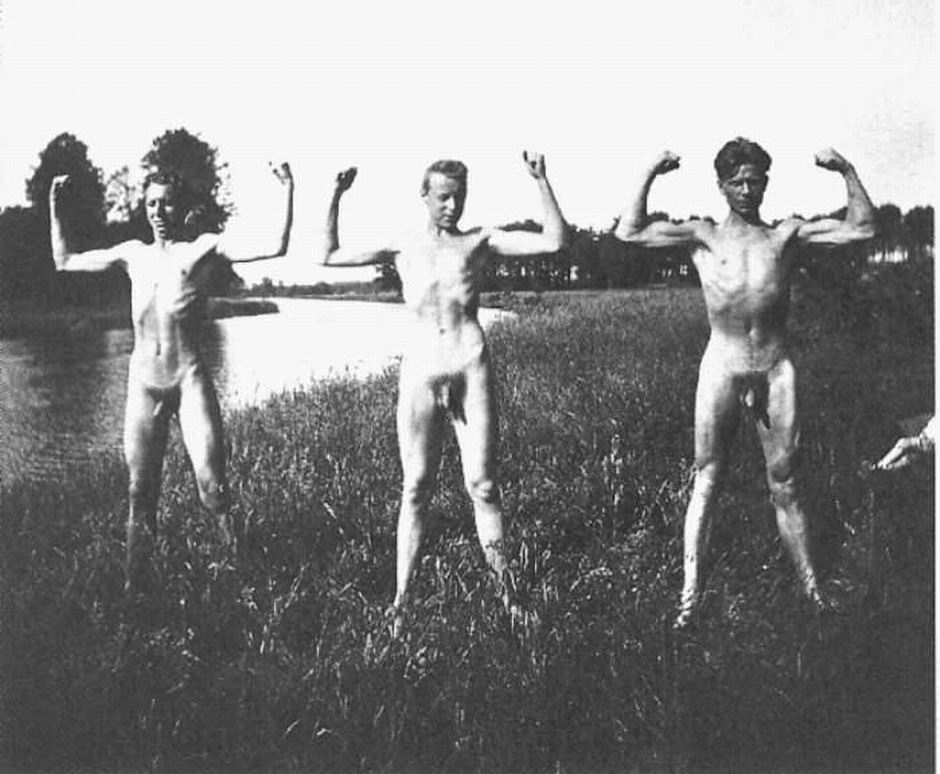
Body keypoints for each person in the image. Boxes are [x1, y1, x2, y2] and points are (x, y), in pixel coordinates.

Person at [613, 139, 876, 626]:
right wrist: (651, 170)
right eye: (737, 181)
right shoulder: (703, 236)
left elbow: (862, 227)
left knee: (787, 482)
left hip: (775, 368)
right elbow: (628, 232)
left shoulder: (786, 235)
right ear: (721, 186)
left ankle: (812, 590)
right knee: (707, 478)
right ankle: (689, 596)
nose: (747, 190)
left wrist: (845, 168)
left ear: (766, 183)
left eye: (755, 180)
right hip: (723, 367)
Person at [319, 153, 569, 625]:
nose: (452, 206)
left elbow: (555, 242)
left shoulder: (479, 241)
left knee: (484, 485)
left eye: (459, 197)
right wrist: (335, 194)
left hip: (470, 365)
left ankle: (509, 601)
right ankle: (402, 604)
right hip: (421, 370)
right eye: (443, 197)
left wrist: (542, 180)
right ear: (424, 195)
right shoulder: (403, 245)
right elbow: (328, 255)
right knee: (416, 486)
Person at [49, 162, 294, 593]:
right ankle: (135, 591)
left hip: (189, 379)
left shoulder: (202, 248)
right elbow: (64, 261)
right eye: (151, 204)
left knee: (213, 488)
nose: (159, 212)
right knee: (139, 493)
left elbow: (276, 245)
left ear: (181, 208)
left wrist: (287, 188)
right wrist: (55, 205)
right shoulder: (133, 255)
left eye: (166, 203)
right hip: (144, 384)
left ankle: (246, 582)